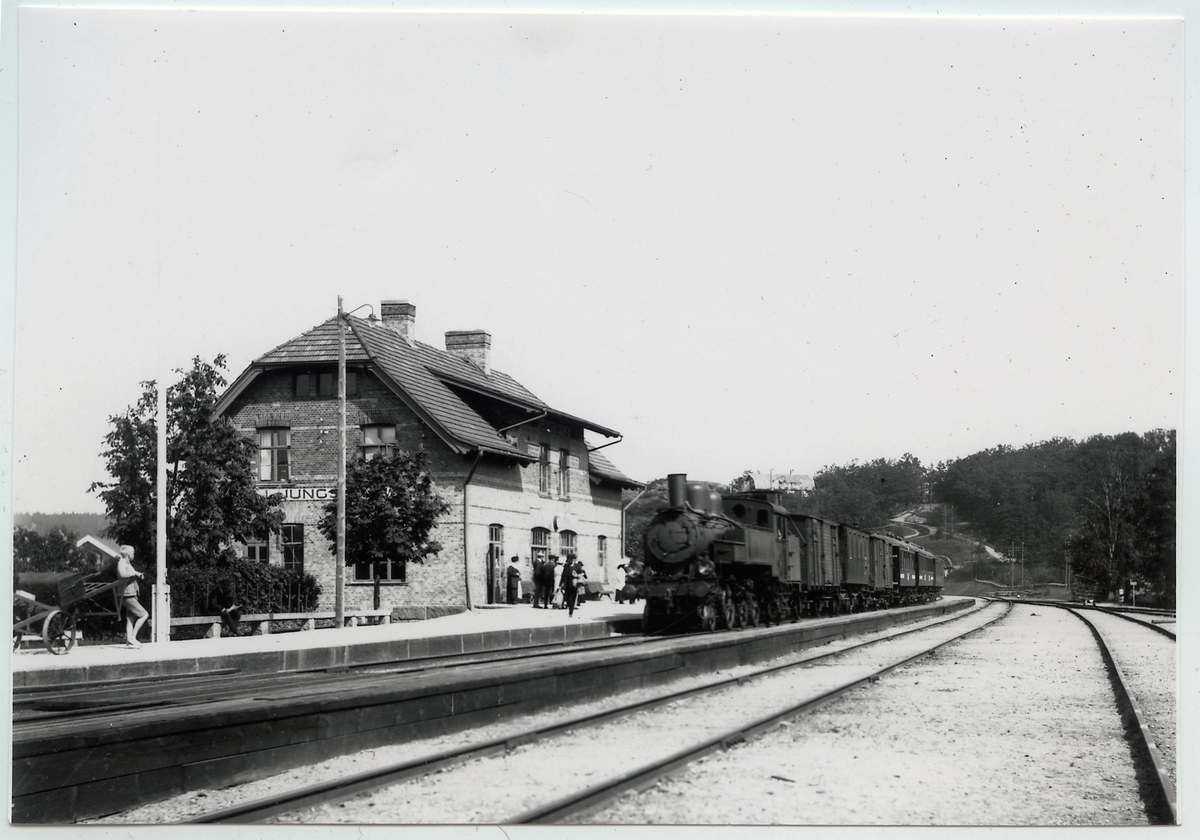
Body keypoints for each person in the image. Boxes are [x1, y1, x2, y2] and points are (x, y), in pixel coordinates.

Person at [116, 545, 149, 648]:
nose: (134, 555)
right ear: (129, 554)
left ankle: (129, 641)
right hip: (127, 595)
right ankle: (132, 637)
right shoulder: (122, 562)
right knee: (144, 615)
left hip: (130, 594)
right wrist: (135, 573)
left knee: (131, 618)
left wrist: (136, 574)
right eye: (133, 553)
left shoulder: (126, 563)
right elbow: (122, 574)